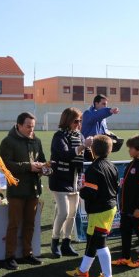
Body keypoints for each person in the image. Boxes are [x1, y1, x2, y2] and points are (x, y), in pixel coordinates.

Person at [66, 135, 118, 277]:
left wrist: (82, 191)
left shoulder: (94, 169)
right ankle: (83, 271)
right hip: (110, 207)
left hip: (99, 210)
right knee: (93, 240)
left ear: (93, 149)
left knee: (100, 243)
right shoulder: (112, 166)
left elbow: (90, 193)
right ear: (110, 149)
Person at [0, 112, 47, 270]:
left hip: (33, 189)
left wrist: (44, 168)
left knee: (30, 223)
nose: (31, 129)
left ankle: (28, 253)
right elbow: (5, 165)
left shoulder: (37, 141)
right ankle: (9, 256)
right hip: (16, 190)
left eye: (33, 126)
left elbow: (42, 158)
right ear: (18, 125)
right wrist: (29, 166)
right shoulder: (8, 142)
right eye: (28, 126)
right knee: (14, 224)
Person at [49, 108, 93, 258]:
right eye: (76, 121)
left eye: (80, 120)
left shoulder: (80, 135)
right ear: (67, 121)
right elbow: (65, 154)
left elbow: (87, 156)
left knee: (73, 214)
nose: (78, 123)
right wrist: (83, 146)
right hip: (60, 179)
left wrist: (96, 146)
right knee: (63, 212)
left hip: (75, 179)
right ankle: (54, 242)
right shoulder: (59, 136)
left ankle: (66, 243)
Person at [112, 134, 139, 268]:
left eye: (131, 148)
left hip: (137, 210)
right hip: (126, 208)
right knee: (125, 232)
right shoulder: (132, 163)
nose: (129, 150)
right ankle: (126, 257)